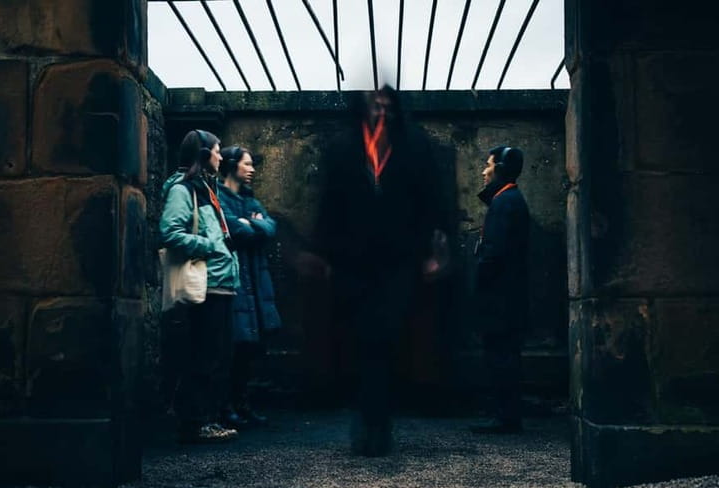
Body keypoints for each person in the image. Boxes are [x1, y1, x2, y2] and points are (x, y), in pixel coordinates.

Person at [304, 85, 446, 456]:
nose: (381, 110)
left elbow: (432, 201)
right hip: (354, 264)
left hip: (397, 262)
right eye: (375, 103)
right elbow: (329, 205)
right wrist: (322, 253)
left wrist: (433, 250)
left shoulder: (412, 147)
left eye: (386, 104)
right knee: (364, 341)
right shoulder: (344, 148)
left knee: (386, 338)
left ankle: (377, 421)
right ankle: (370, 419)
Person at [159, 129, 240, 443]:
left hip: (219, 282)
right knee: (203, 355)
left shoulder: (206, 187)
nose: (221, 156)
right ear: (204, 155)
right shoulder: (183, 189)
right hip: (206, 283)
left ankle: (202, 419)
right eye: (217, 150)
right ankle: (195, 422)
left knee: (215, 355)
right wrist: (208, 246)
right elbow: (170, 231)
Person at [216, 146, 281, 429]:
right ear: (232, 165)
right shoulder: (220, 197)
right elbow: (234, 229)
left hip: (254, 278)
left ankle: (242, 403)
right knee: (232, 344)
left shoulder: (250, 200)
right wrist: (253, 225)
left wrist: (253, 225)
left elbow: (271, 227)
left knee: (250, 346)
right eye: (247, 164)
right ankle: (226, 406)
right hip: (235, 277)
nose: (252, 169)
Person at [470, 145, 530, 434]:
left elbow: (494, 253)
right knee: (504, 353)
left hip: (500, 297)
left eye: (489, 165)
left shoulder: (505, 202)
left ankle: (505, 417)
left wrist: (479, 281)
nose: (484, 171)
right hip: (507, 294)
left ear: (501, 170)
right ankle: (506, 414)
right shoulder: (508, 200)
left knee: (500, 355)